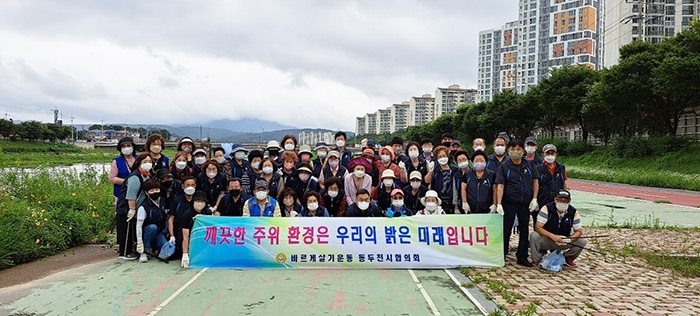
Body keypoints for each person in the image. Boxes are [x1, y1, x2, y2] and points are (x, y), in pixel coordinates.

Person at [495, 139, 540, 267]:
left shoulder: (530, 165)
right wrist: (499, 203)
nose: (516, 152)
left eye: (518, 149)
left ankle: (522, 256)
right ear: (508, 151)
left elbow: (535, 181)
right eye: (513, 149)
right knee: (506, 229)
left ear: (523, 150)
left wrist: (534, 198)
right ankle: (502, 254)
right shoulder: (504, 166)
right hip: (509, 202)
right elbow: (500, 185)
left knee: (524, 229)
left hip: (525, 203)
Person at [530, 190, 587, 267]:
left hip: (563, 240)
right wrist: (552, 236)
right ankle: (536, 259)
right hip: (548, 239)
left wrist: (570, 239)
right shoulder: (546, 208)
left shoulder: (573, 212)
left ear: (569, 201)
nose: (562, 203)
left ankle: (568, 257)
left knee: (582, 241)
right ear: (555, 200)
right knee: (534, 235)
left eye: (565, 201)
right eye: (560, 200)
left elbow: (579, 231)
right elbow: (538, 227)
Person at [115, 153, 153, 260]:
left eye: (150, 162)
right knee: (126, 230)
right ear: (139, 163)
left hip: (139, 207)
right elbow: (131, 195)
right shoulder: (135, 177)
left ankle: (135, 249)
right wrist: (132, 210)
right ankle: (125, 252)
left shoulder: (147, 175)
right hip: (127, 207)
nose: (148, 164)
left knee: (134, 229)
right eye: (145, 162)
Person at [135, 179, 168, 263]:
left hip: (160, 231)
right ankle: (145, 251)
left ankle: (155, 248)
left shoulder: (164, 202)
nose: (155, 192)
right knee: (152, 227)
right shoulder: (143, 207)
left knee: (166, 248)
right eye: (152, 190)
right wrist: (139, 243)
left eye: (157, 189)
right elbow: (138, 226)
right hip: (147, 231)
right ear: (146, 193)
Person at [536, 144, 568, 225]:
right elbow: (534, 185)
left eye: (552, 153)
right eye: (548, 153)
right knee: (541, 224)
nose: (550, 155)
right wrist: (534, 199)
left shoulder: (561, 168)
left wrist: (565, 198)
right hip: (542, 200)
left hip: (557, 201)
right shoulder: (537, 169)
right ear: (543, 155)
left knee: (555, 223)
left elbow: (564, 183)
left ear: (556, 154)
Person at [180, 191, 213, 268]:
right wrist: (185, 254)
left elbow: (211, 230)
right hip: (190, 240)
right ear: (193, 201)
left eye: (202, 201)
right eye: (198, 201)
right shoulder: (187, 215)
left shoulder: (208, 212)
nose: (200, 203)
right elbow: (185, 236)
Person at [168, 175, 197, 259]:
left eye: (193, 185)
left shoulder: (199, 200)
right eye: (188, 185)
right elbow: (171, 219)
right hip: (180, 233)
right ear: (182, 186)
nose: (190, 187)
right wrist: (171, 235)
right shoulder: (177, 200)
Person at [425, 145, 459, 214]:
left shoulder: (454, 170)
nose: (442, 158)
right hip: (438, 201)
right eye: (440, 156)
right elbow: (427, 181)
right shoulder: (435, 170)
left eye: (444, 155)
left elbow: (456, 187)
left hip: (451, 201)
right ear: (436, 158)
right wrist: (430, 171)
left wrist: (456, 205)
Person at [109, 137, 137, 204]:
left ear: (133, 147)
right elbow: (111, 178)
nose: (126, 148)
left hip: (137, 193)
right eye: (123, 146)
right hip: (120, 194)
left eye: (128, 146)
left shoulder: (140, 159)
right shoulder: (117, 161)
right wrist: (127, 182)